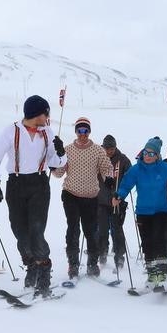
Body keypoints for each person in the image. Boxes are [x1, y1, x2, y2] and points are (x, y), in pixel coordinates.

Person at [0, 95, 67, 296]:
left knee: (36, 230)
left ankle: (44, 271)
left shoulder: (47, 132)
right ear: (37, 113)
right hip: (16, 185)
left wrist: (60, 152)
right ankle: (31, 266)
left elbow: (55, 163)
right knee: (20, 232)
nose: (47, 117)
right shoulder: (11, 131)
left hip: (39, 185)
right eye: (46, 113)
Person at [113, 137, 167, 290]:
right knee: (147, 243)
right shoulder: (136, 169)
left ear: (157, 156)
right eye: (146, 152)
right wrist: (119, 195)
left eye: (152, 154)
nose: (148, 156)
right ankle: (152, 276)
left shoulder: (164, 168)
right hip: (143, 212)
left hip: (161, 211)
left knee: (159, 240)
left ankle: (163, 276)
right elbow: (126, 184)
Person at [52, 117, 113, 279]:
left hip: (91, 196)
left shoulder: (98, 151)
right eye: (80, 130)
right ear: (76, 132)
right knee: (73, 229)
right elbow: (58, 174)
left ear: (89, 132)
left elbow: (107, 167)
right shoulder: (68, 150)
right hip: (70, 194)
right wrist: (55, 161)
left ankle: (92, 264)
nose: (82, 134)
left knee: (90, 230)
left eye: (85, 131)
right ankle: (73, 264)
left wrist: (109, 177)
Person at [96, 135, 131, 272]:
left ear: (115, 147)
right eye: (107, 148)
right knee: (102, 230)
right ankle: (102, 255)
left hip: (117, 201)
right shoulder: (98, 157)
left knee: (117, 230)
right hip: (101, 200)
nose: (109, 151)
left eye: (111, 148)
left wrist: (122, 193)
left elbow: (130, 177)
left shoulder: (122, 160)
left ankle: (119, 257)